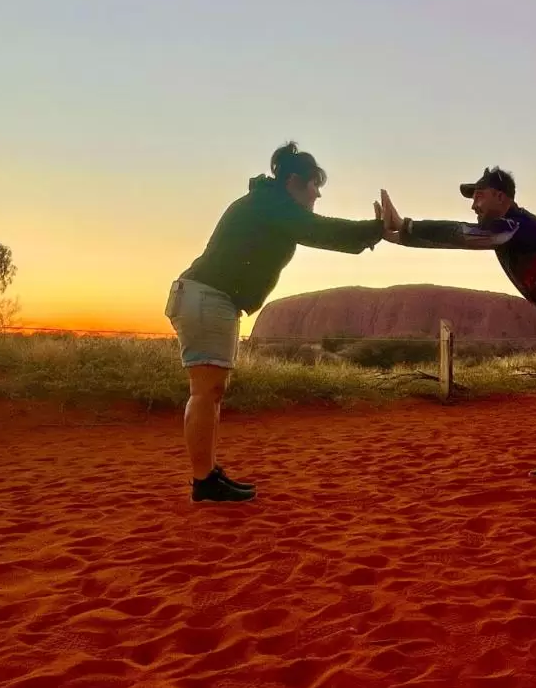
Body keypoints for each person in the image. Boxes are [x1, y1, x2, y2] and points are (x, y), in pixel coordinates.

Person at [378, 167, 536, 499]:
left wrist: (407, 227)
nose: (474, 206)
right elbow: (462, 240)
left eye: (479, 197)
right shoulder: (502, 231)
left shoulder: (517, 226)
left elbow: (462, 235)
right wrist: (399, 237)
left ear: (502, 197)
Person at [165, 141, 386, 503]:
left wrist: (370, 235)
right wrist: (376, 229)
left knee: (212, 393)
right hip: (206, 298)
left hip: (210, 300)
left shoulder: (268, 203)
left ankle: (207, 473)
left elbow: (316, 229)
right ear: (294, 181)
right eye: (315, 185)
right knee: (206, 392)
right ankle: (203, 481)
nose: (317, 194)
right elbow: (320, 230)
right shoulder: (271, 204)